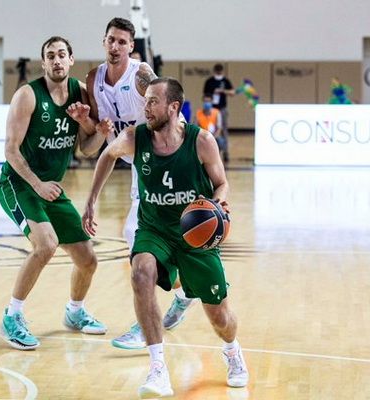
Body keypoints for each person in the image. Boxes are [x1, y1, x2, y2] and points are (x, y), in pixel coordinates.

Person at [83, 77, 249, 397]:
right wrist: (91, 201)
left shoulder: (201, 141)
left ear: (173, 107)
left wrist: (218, 203)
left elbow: (221, 183)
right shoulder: (135, 137)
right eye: (145, 100)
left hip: (194, 236)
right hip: (154, 229)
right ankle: (158, 368)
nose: (145, 107)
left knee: (221, 318)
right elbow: (108, 155)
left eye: (152, 102)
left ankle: (232, 350)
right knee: (141, 272)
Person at [84, 17, 197, 350]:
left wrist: (181, 157)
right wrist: (88, 124)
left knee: (140, 245)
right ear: (103, 42)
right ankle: (183, 294)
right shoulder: (93, 79)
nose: (115, 46)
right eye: (111, 39)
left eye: (122, 41)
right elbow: (97, 145)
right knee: (144, 242)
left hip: (162, 159)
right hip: (136, 162)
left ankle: (146, 325)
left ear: (132, 46)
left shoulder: (141, 76)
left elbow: (170, 112)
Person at [0, 36, 108, 351]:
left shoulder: (80, 94)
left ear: (71, 59)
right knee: (46, 244)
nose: (57, 60)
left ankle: (74, 312)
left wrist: (99, 133)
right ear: (43, 62)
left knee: (87, 259)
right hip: (19, 183)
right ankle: (11, 317)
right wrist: (37, 184)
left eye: (62, 55)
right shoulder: (27, 95)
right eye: (50, 56)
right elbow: (10, 150)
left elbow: (86, 149)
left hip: (50, 188)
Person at [203, 63, 234, 162]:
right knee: (208, 128)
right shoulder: (210, 81)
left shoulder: (225, 81)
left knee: (224, 130)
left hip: (222, 108)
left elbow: (232, 92)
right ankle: (208, 151)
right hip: (212, 109)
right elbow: (205, 95)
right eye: (217, 71)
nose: (219, 73)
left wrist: (222, 91)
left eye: (220, 71)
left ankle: (225, 152)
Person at [194, 93, 226, 159]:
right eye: (205, 101)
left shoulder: (216, 112)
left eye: (208, 101)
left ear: (211, 102)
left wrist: (212, 137)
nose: (207, 103)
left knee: (221, 141)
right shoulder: (198, 113)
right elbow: (195, 127)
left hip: (214, 136)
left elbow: (219, 128)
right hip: (202, 136)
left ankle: (217, 157)